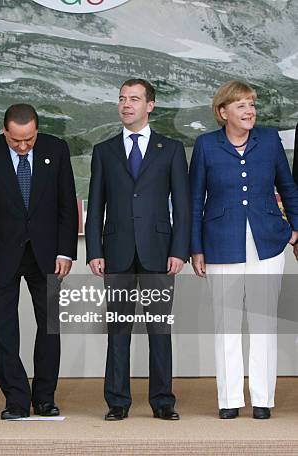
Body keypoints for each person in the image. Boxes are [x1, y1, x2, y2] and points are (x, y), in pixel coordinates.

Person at [190, 80, 298, 420]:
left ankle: (263, 399)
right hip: (220, 244)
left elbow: (288, 187)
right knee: (227, 327)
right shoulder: (206, 145)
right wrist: (196, 248)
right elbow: (194, 203)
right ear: (223, 113)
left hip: (268, 243)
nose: (249, 110)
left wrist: (296, 229)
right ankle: (230, 400)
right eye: (241, 105)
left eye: (251, 104)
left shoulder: (269, 140)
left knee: (264, 324)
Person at [0, 104, 78, 419]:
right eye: (16, 141)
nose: (24, 146)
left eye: (29, 139)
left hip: (47, 256)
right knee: (4, 329)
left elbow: (67, 204)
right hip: (0, 256)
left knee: (50, 328)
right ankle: (15, 399)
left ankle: (44, 398)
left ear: (36, 130)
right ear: (4, 131)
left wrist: (65, 252)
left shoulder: (56, 149)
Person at [85, 79, 190, 421]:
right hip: (115, 251)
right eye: (121, 99)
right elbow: (96, 204)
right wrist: (94, 250)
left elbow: (184, 206)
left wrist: (179, 250)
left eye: (134, 99)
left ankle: (163, 401)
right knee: (118, 331)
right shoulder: (105, 151)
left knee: (159, 329)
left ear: (150, 105)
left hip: (160, 252)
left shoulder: (171, 149)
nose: (126, 104)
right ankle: (117, 402)